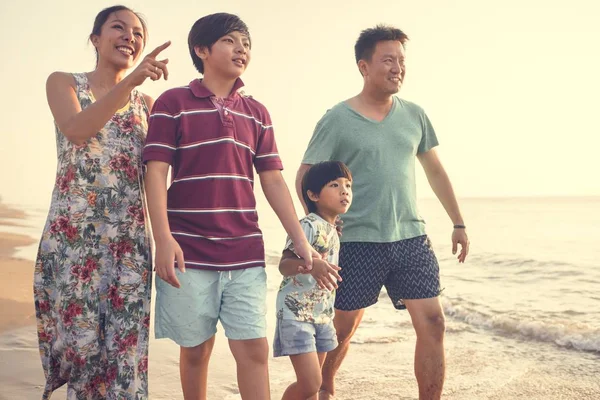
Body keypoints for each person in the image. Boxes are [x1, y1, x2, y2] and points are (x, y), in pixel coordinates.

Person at [143, 13, 319, 400]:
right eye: (230, 40)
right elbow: (155, 173)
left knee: (253, 348)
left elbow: (271, 180)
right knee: (196, 350)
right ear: (201, 49)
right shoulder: (173, 103)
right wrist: (163, 239)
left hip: (244, 252)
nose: (242, 49)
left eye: (247, 43)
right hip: (188, 251)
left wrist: (299, 240)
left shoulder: (257, 113)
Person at [296, 25, 470, 400]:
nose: (398, 68)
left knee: (434, 323)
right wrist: (320, 229)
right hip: (357, 240)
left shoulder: (414, 115)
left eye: (402, 61)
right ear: (364, 66)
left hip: (411, 237)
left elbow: (435, 171)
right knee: (343, 328)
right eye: (388, 59)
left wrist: (458, 222)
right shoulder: (337, 119)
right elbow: (306, 175)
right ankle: (323, 387)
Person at [33, 5, 170, 399]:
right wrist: (130, 84)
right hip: (74, 239)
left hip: (129, 244)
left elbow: (157, 177)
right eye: (118, 27)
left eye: (138, 32)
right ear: (95, 38)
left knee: (125, 355)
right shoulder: (63, 82)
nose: (130, 36)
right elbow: (77, 130)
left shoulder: (148, 106)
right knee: (81, 349)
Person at [275, 161, 352, 400]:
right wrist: (310, 266)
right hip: (296, 313)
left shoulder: (333, 228)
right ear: (313, 195)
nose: (344, 191)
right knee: (310, 384)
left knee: (313, 386)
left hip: (322, 314)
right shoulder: (307, 226)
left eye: (348, 185)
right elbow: (284, 264)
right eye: (335, 184)